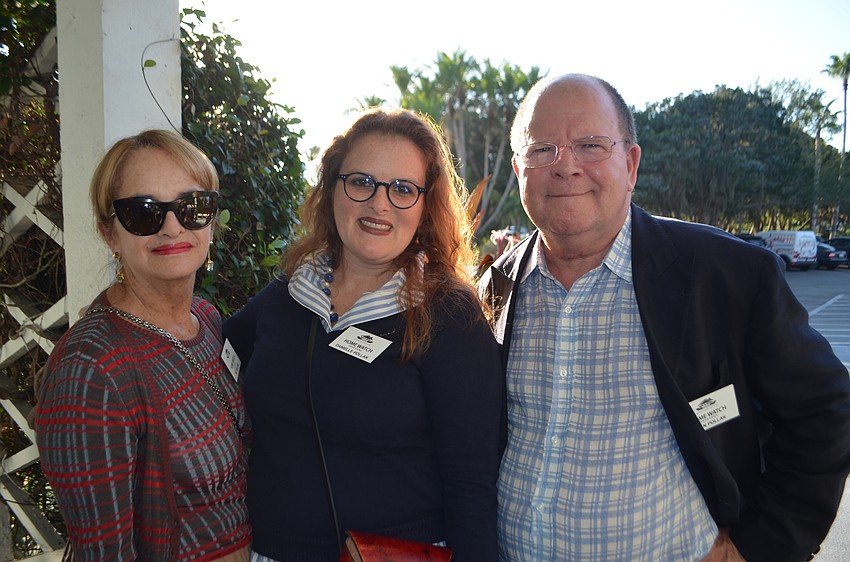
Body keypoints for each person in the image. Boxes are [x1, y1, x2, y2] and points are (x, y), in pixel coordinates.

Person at [478, 73, 850, 562]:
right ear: (518, 168)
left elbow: (824, 411)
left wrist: (759, 548)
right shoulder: (493, 289)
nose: (565, 166)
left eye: (590, 144)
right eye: (542, 149)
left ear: (630, 164)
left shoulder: (728, 275)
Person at [223, 108, 502, 562]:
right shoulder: (290, 290)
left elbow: (471, 484)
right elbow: (206, 354)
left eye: (402, 189)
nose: (380, 203)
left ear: (425, 205)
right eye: (362, 182)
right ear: (333, 187)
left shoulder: (448, 314)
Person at [34, 129, 251, 561]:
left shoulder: (205, 319)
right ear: (109, 233)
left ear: (210, 220)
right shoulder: (91, 371)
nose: (172, 226)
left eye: (192, 206)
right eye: (143, 212)